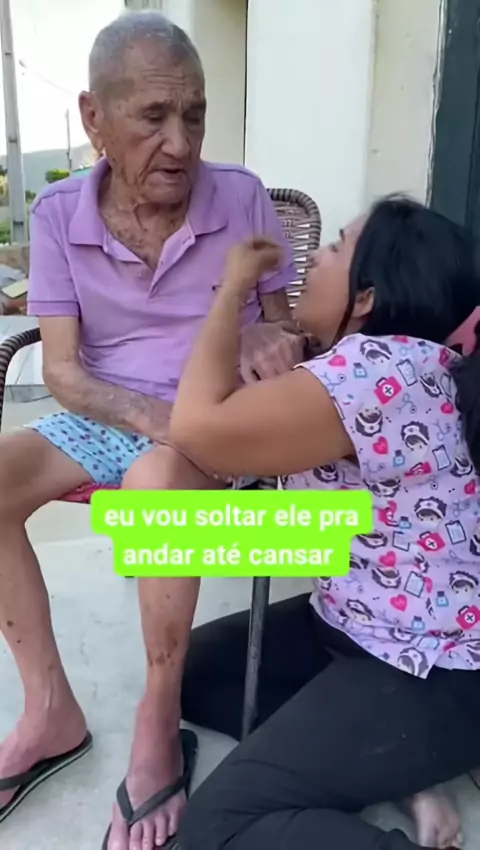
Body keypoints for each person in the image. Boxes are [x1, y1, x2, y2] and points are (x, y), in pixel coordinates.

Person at [0, 11, 304, 850]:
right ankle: (50, 710)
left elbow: (282, 323)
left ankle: (159, 717)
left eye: (195, 115)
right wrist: (156, 420)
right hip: (110, 411)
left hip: (215, 419)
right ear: (94, 117)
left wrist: (267, 336)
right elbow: (64, 371)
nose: (181, 143)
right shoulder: (58, 214)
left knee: (154, 486)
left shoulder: (239, 195)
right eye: (154, 117)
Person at [168, 197, 480, 850]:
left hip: (432, 669)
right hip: (359, 622)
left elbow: (195, 429)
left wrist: (233, 287)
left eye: (336, 247)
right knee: (191, 673)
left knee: (219, 828)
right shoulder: (394, 364)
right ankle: (402, 776)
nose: (314, 258)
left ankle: (401, 763)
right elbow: (324, 521)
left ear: (366, 297)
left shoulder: (377, 372)